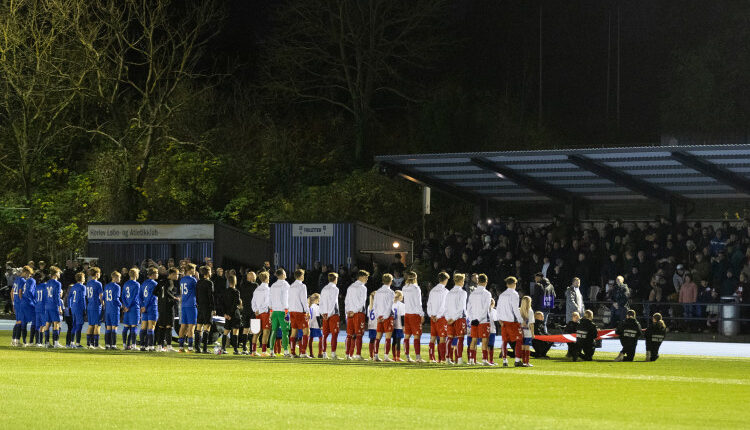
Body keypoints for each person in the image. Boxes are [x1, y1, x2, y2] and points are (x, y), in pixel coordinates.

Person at [497, 276, 523, 367]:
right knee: (519, 340)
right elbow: (515, 309)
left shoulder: (502, 294)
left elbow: (498, 308)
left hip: (503, 321)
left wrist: (499, 319)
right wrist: (520, 320)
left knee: (504, 341)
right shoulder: (514, 294)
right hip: (512, 321)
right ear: (514, 284)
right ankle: (517, 360)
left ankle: (504, 360)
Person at [466, 273, 492, 365]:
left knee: (474, 339)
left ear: (478, 282)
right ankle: (484, 360)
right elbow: (486, 308)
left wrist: (473, 319)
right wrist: (479, 319)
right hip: (483, 320)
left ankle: (472, 360)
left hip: (474, 321)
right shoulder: (487, 294)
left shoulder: (473, 293)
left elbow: (468, 308)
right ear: (486, 282)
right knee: (484, 340)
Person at [344, 269, 369, 360]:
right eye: (366, 277)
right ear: (361, 277)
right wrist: (354, 311)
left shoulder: (350, 286)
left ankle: (347, 355)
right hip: (358, 313)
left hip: (350, 313)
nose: (367, 279)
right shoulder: (363, 287)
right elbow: (362, 301)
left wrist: (348, 311)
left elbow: (346, 300)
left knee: (349, 334)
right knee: (359, 334)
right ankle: (358, 355)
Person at [444, 273, 468, 365]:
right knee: (460, 339)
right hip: (458, 318)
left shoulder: (449, 292)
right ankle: (459, 359)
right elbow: (461, 307)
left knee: (449, 338)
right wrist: (454, 318)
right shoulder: (463, 292)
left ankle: (447, 359)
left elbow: (445, 307)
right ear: (461, 281)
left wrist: (448, 318)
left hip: (449, 318)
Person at [401, 271, 424, 363]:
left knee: (407, 336)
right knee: (417, 336)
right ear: (415, 278)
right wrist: (422, 314)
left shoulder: (404, 288)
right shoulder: (416, 288)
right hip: (415, 314)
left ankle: (407, 357)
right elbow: (418, 303)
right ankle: (418, 357)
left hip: (407, 313)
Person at [426, 272, 449, 363]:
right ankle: (442, 359)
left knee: (433, 337)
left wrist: (431, 315)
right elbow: (444, 305)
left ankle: (432, 358)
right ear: (446, 280)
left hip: (433, 317)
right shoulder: (445, 291)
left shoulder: (432, 290)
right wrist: (438, 316)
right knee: (442, 338)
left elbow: (429, 304)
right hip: (441, 318)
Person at [268, 268, 291, 357]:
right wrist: (286, 309)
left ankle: (271, 351)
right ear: (282, 275)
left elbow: (270, 298)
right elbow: (285, 298)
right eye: (285, 273)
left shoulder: (273, 285)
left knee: (274, 331)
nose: (286, 274)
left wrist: (270, 309)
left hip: (274, 311)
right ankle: (285, 351)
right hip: (282, 311)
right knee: (285, 331)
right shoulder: (285, 285)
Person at [373, 273, 396, 362]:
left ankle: (375, 355)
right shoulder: (391, 292)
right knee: (388, 337)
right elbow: (389, 306)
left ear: (383, 281)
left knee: (378, 336)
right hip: (387, 316)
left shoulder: (378, 291)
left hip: (379, 316)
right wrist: (385, 316)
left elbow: (375, 305)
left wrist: (377, 316)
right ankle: (386, 356)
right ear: (391, 281)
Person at [288, 269, 310, 358]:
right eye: (303, 275)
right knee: (306, 331)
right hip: (300, 311)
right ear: (301, 276)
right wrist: (307, 311)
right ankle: (303, 352)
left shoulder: (291, 286)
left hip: (292, 311)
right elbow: (304, 300)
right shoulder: (302, 286)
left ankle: (292, 353)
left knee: (294, 331)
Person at [155, 268, 179, 351]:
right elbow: (167, 291)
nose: (177, 276)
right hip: (168, 306)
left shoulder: (161, 281)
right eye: (177, 274)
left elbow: (154, 292)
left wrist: (161, 298)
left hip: (161, 307)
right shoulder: (170, 282)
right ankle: (169, 346)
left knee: (161, 326)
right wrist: (174, 298)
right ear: (171, 274)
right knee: (169, 326)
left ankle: (159, 346)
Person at [178, 263, 198, 353]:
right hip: (191, 305)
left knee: (183, 326)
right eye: (194, 269)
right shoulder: (193, 280)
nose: (195, 271)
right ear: (190, 270)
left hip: (184, 305)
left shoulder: (182, 280)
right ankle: (190, 348)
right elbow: (198, 290)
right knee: (191, 327)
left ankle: (181, 347)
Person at [319, 272, 340, 359]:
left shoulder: (324, 288)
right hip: (333, 314)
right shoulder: (335, 289)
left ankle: (324, 353)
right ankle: (333, 353)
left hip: (324, 314)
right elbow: (333, 303)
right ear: (335, 279)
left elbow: (321, 302)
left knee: (325, 334)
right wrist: (329, 313)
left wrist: (323, 313)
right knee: (334, 334)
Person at [220, 274, 242, 355]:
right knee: (235, 332)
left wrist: (225, 314)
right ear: (235, 281)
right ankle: (235, 350)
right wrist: (230, 314)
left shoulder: (224, 292)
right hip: (234, 314)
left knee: (226, 332)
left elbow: (222, 304)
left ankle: (223, 348)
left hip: (227, 315)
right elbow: (235, 304)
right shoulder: (236, 292)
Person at [250, 271, 271, 356]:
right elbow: (267, 302)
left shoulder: (257, 289)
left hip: (257, 313)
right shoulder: (268, 290)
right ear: (266, 279)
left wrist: (255, 310)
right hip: (265, 313)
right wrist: (262, 310)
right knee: (266, 332)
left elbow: (253, 301)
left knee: (256, 332)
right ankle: (263, 351)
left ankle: (253, 351)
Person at [195, 266, 215, 354]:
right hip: (207, 306)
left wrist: (198, 304)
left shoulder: (198, 282)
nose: (211, 273)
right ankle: (205, 348)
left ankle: (197, 347)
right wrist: (213, 308)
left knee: (199, 326)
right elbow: (211, 296)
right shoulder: (209, 283)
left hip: (200, 306)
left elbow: (197, 295)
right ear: (208, 273)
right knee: (207, 326)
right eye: (210, 271)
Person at [43, 267, 64, 348]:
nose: (59, 274)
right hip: (54, 305)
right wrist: (59, 307)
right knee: (56, 323)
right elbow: (57, 296)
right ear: (55, 274)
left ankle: (46, 343)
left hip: (47, 305)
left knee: (47, 324)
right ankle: (56, 343)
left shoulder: (47, 282)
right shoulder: (57, 283)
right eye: (59, 273)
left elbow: (45, 295)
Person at [11, 266, 32, 347]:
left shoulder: (16, 279)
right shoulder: (23, 281)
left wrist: (13, 303)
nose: (28, 275)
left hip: (16, 303)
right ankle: (17, 341)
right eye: (28, 274)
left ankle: (13, 340)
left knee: (17, 321)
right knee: (20, 322)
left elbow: (12, 292)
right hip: (20, 303)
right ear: (25, 272)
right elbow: (20, 292)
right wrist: (22, 301)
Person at [121, 268, 141, 350]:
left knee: (126, 326)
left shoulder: (126, 283)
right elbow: (134, 297)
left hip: (126, 308)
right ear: (136, 275)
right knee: (134, 327)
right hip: (133, 307)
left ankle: (124, 345)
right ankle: (133, 345)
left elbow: (123, 296)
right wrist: (129, 306)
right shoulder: (137, 284)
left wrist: (125, 306)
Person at [238, 271, 258, 354]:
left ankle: (244, 348)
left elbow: (241, 296)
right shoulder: (255, 285)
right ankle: (251, 349)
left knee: (245, 329)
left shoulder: (242, 285)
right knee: (254, 330)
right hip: (253, 309)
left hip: (245, 309)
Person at [140, 267, 159, 351]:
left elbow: (139, 296)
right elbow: (152, 297)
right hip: (151, 307)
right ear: (153, 274)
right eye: (157, 273)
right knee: (151, 327)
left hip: (144, 307)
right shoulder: (155, 284)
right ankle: (151, 346)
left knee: (143, 326)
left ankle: (142, 346)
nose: (158, 275)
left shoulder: (144, 283)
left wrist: (142, 306)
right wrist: (146, 306)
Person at [103, 271, 123, 350]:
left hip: (107, 309)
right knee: (114, 327)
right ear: (114, 277)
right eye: (119, 277)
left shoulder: (107, 286)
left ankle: (107, 345)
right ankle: (113, 345)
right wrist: (121, 305)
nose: (120, 279)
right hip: (114, 308)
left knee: (108, 327)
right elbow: (116, 299)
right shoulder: (117, 287)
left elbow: (104, 298)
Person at [85, 267, 104, 349]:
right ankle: (96, 345)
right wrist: (103, 304)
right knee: (97, 325)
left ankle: (89, 344)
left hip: (89, 305)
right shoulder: (98, 283)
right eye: (99, 273)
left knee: (90, 325)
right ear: (97, 274)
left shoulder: (88, 283)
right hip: (96, 306)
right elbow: (101, 296)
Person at [68, 272, 86, 348]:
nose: (85, 279)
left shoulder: (73, 286)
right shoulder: (82, 287)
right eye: (84, 277)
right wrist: (84, 309)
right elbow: (82, 299)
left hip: (73, 307)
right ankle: (77, 343)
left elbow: (69, 297)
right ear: (82, 278)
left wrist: (69, 307)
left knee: (74, 325)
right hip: (79, 307)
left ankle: (72, 342)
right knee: (79, 325)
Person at [519, 295, 534, 367]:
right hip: (527, 332)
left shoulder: (519, 310)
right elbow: (531, 324)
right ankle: (527, 362)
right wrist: (533, 333)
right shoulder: (530, 311)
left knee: (522, 347)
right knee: (527, 347)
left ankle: (523, 361)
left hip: (520, 332)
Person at [391, 290, 405, 361]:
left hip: (392, 325)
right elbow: (402, 317)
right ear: (400, 297)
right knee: (398, 341)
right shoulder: (402, 305)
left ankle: (394, 357)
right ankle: (398, 357)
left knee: (394, 341)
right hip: (399, 325)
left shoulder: (392, 304)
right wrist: (403, 326)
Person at [308, 293, 323, 357]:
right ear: (317, 299)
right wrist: (320, 326)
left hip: (310, 325)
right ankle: (320, 353)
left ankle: (311, 354)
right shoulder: (316, 307)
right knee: (321, 338)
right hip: (316, 325)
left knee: (311, 339)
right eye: (319, 298)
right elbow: (317, 317)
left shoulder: (309, 306)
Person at [366, 291, 378, 360]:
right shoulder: (378, 306)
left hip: (371, 325)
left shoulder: (369, 306)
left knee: (371, 340)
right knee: (376, 341)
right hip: (376, 325)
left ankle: (371, 356)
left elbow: (368, 316)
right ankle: (375, 355)